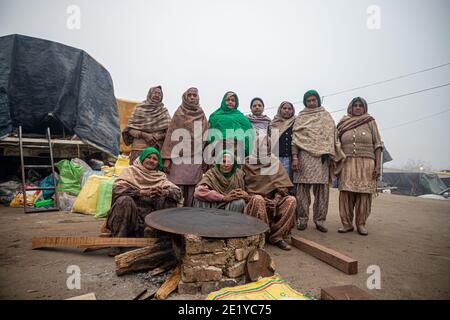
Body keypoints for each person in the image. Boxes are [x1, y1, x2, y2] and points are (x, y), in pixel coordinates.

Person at [291, 90, 345, 233]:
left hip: (322, 158)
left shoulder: (326, 116)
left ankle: (320, 221)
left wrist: (332, 156)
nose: (311, 103)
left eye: (314, 100)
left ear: (318, 101)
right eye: (308, 101)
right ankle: (302, 220)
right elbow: (295, 139)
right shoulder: (301, 117)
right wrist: (295, 157)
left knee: (322, 191)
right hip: (304, 157)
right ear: (305, 102)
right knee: (302, 190)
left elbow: (332, 136)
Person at [106, 147, 182, 243]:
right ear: (142, 158)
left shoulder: (160, 176)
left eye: (155, 159)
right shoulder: (130, 171)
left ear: (158, 163)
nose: (151, 161)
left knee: (168, 199)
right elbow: (117, 189)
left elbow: (177, 192)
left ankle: (163, 239)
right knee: (124, 200)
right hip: (128, 218)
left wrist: (164, 192)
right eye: (148, 157)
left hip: (148, 220)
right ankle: (117, 242)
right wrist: (141, 192)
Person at [336, 97, 382, 236]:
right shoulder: (343, 123)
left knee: (364, 194)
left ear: (364, 108)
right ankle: (347, 224)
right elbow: (335, 142)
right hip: (347, 162)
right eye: (354, 105)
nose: (357, 108)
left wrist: (378, 166)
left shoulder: (370, 121)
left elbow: (378, 144)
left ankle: (361, 224)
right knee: (346, 193)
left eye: (360, 106)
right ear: (350, 107)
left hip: (366, 163)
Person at [161, 87, 208, 207]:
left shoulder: (201, 114)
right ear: (185, 97)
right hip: (178, 157)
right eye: (190, 95)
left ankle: (188, 216)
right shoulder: (179, 112)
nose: (192, 97)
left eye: (194, 95)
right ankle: (172, 216)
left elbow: (206, 136)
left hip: (195, 157)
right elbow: (171, 135)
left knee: (192, 188)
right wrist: (167, 158)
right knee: (176, 185)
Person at [243, 150, 296, 251]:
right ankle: (260, 236)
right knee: (258, 200)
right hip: (253, 199)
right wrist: (248, 197)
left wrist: (277, 199)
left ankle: (276, 236)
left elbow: (283, 185)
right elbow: (241, 186)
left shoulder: (274, 162)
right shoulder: (246, 163)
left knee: (291, 200)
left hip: (273, 199)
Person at [122, 86, 171, 162]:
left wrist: (159, 136)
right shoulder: (139, 108)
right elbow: (130, 129)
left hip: (156, 149)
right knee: (136, 171)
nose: (157, 95)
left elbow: (169, 132)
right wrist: (145, 135)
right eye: (155, 93)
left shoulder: (164, 112)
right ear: (149, 94)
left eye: (159, 94)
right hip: (139, 148)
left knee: (153, 172)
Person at [207, 91, 254, 161]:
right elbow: (210, 132)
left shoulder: (241, 117)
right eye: (227, 100)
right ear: (223, 101)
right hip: (219, 149)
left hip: (238, 150)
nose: (230, 102)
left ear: (236, 103)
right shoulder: (215, 116)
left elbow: (249, 132)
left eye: (233, 100)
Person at [270, 101, 296, 181]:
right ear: (280, 110)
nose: (287, 110)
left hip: (290, 158)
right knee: (275, 180)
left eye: (289, 108)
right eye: (284, 108)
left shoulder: (296, 122)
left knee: (288, 180)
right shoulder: (273, 123)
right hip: (275, 157)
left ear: (293, 111)